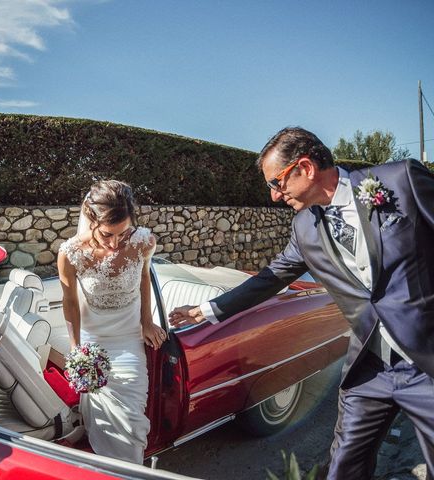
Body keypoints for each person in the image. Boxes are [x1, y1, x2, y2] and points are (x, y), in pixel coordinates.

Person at [169, 127, 434, 479]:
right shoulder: (304, 228)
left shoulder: (401, 180)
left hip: (426, 362)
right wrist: (203, 311)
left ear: (305, 167)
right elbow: (270, 278)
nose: (275, 196)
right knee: (342, 467)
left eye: (276, 183)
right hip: (370, 368)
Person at [57, 179, 166, 464]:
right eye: (107, 234)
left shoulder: (144, 241)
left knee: (130, 418)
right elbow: (69, 303)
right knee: (100, 415)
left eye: (123, 232)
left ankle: (130, 468)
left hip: (128, 337)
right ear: (90, 220)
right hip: (94, 341)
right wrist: (76, 348)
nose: (115, 243)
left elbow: (144, 279)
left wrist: (146, 322)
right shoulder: (69, 254)